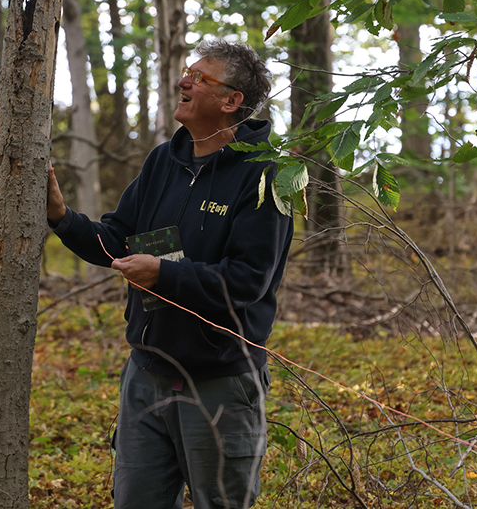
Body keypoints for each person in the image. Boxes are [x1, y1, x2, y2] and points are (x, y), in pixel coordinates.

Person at [46, 38, 294, 509]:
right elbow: (117, 240)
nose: (184, 81)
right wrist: (62, 218)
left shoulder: (265, 175)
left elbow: (247, 281)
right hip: (147, 374)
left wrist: (163, 273)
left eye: (200, 77)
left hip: (220, 383)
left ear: (231, 101)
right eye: (186, 72)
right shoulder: (165, 161)